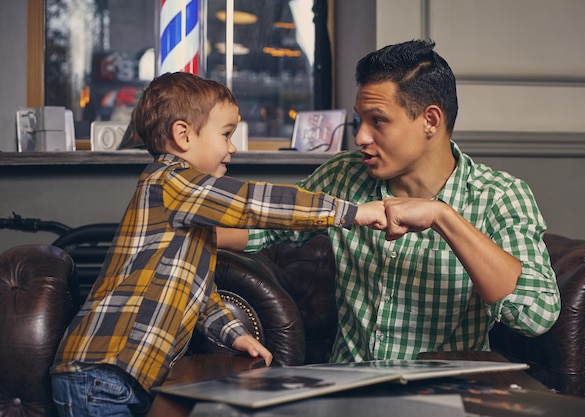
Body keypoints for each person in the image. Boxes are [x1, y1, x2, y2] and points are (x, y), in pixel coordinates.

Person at [50, 72, 387, 417]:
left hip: (122, 377)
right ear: (183, 135)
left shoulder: (187, 209)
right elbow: (252, 202)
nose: (232, 147)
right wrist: (352, 211)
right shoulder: (171, 181)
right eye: (226, 134)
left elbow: (199, 294)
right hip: (101, 373)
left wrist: (235, 335)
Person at [230, 39, 561, 363]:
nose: (360, 137)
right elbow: (260, 228)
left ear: (430, 120)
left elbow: (535, 316)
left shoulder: (500, 196)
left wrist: (443, 217)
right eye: (360, 120)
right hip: (349, 389)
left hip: (445, 394)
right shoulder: (343, 175)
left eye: (378, 120)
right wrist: (185, 220)